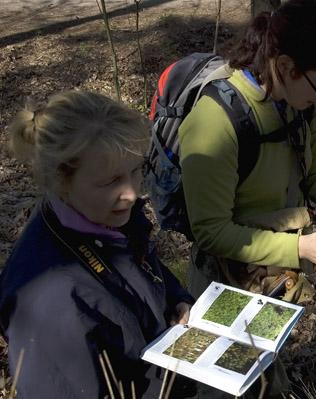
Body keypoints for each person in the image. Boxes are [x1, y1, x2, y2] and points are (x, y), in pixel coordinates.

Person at [179, 0, 316, 303]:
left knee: (271, 351)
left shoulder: (300, 105)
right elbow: (212, 232)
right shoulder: (215, 121)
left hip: (275, 276)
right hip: (225, 283)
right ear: (286, 66)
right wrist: (301, 248)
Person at [0, 91, 196, 398]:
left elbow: (142, 276)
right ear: (61, 180)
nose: (132, 193)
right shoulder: (52, 301)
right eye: (110, 181)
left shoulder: (106, 219)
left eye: (135, 171)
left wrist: (177, 300)